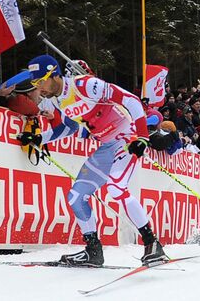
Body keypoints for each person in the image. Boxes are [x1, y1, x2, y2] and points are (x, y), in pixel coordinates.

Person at [17, 54, 165, 267]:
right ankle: (93, 251)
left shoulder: (87, 85)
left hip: (126, 136)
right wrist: (40, 138)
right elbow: (70, 127)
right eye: (35, 83)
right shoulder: (55, 99)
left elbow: (130, 100)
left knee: (116, 188)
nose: (39, 88)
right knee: (76, 197)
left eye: (41, 81)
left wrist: (142, 136)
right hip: (106, 145)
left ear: (54, 75)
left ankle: (152, 244)